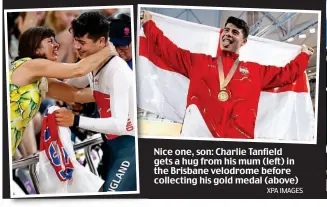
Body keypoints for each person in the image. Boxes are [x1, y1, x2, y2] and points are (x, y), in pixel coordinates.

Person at [141, 11, 314, 139]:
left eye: (235, 32)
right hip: (197, 137)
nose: (228, 34)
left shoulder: (255, 71)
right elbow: (169, 51)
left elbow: (285, 75)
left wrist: (304, 55)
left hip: (237, 143)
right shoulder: (198, 62)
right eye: (227, 30)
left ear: (244, 41)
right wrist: (149, 25)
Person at [53, 11, 136, 192]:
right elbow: (71, 86)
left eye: (82, 43)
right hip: (112, 146)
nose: (76, 47)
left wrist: (75, 120)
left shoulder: (117, 71)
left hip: (132, 148)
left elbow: (119, 125)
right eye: (75, 40)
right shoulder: (95, 66)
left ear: (101, 42)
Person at [9, 26, 116, 156]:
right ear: (36, 49)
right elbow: (78, 70)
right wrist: (108, 50)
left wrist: (115, 90)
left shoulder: (41, 81)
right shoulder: (28, 65)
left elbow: (77, 94)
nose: (56, 45)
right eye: (50, 41)